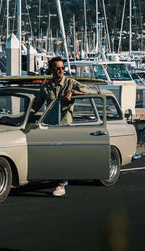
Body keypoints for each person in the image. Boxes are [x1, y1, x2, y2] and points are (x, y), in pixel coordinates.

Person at [30, 56, 91, 197]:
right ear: (51, 70)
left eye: (63, 68)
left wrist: (74, 92)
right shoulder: (46, 88)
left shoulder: (71, 83)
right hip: (50, 124)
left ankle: (62, 184)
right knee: (49, 153)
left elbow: (90, 92)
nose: (61, 71)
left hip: (65, 124)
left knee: (63, 154)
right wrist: (26, 116)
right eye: (57, 69)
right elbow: (36, 106)